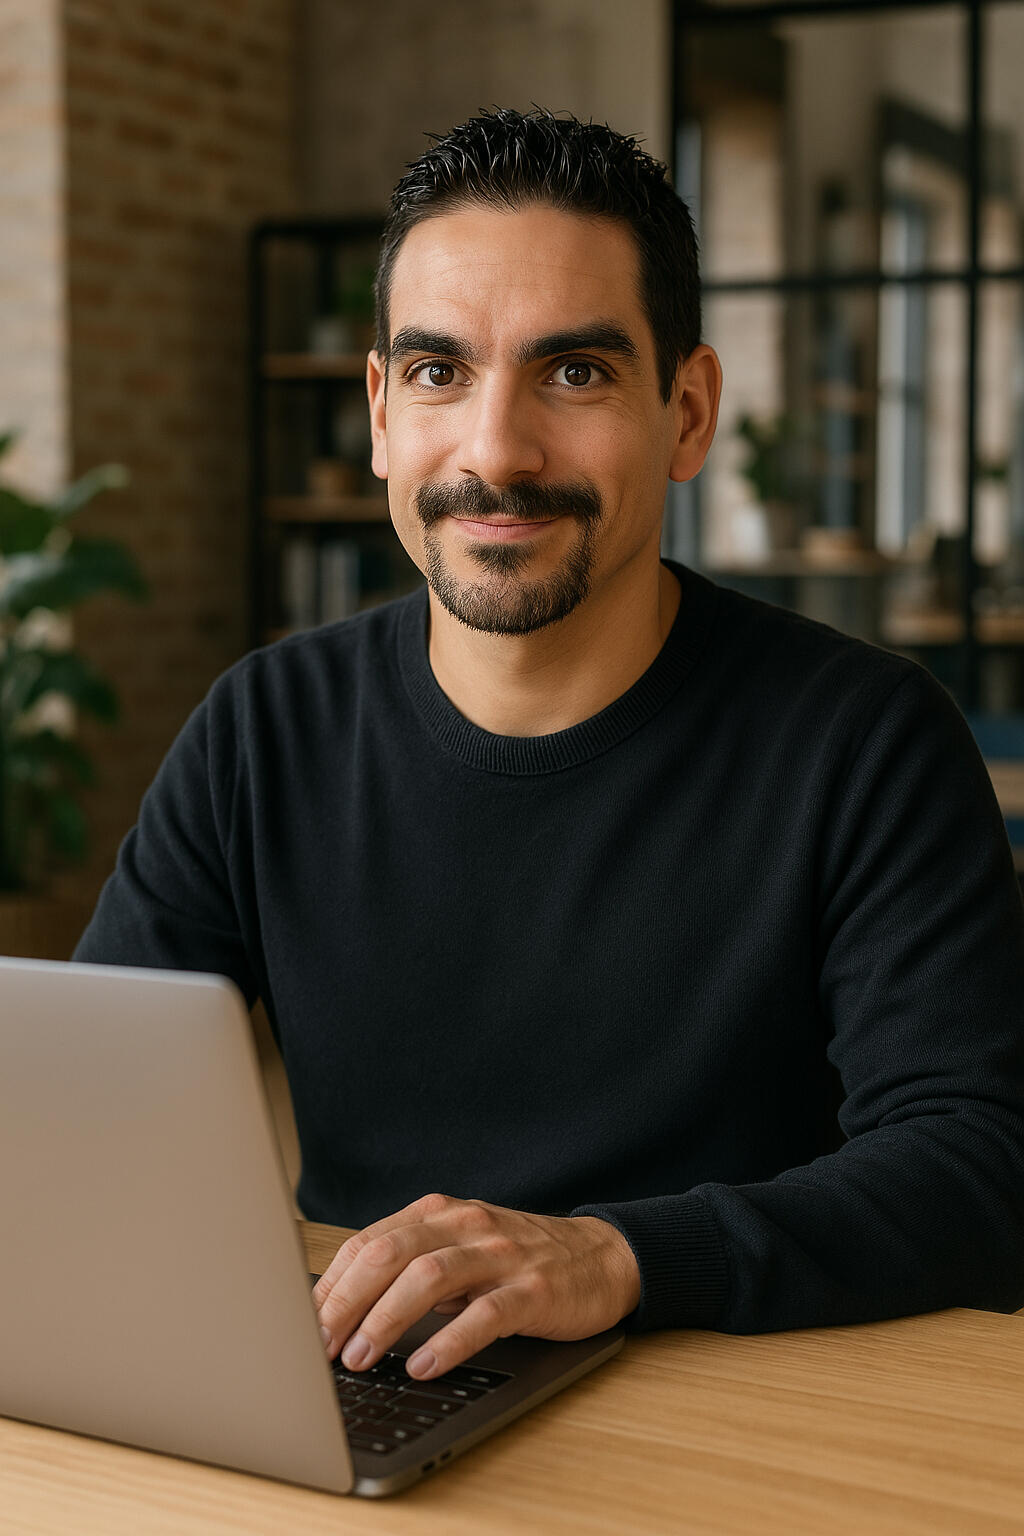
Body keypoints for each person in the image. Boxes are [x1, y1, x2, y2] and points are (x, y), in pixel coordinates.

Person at [74, 107, 1024, 1386]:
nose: (496, 453)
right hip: (375, 1388)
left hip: (736, 1404)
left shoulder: (864, 739)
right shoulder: (262, 729)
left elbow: (979, 1166)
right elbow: (88, 1115)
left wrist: (616, 1256)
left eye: (573, 373)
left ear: (686, 413)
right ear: (379, 412)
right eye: (438, 372)